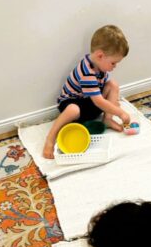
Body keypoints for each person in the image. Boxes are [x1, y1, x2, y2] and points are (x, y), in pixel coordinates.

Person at [42, 25, 131, 158]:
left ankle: (107, 119)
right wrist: (120, 112)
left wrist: (112, 107)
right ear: (100, 55)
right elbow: (99, 101)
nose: (115, 66)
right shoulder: (86, 71)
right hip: (73, 103)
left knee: (112, 84)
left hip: (89, 102)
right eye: (113, 63)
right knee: (73, 110)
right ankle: (50, 138)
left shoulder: (100, 65)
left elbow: (101, 92)